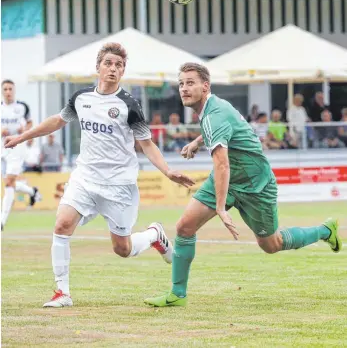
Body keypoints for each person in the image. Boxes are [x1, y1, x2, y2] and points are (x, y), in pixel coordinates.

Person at [4, 43, 194, 308]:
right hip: (85, 177)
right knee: (61, 225)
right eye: (109, 63)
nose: (113, 69)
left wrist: (168, 170)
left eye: (119, 65)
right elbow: (57, 121)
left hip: (118, 184)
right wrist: (21, 137)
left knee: (122, 249)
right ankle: (62, 292)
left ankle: (154, 235)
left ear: (123, 71)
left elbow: (146, 143)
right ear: (98, 67)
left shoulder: (129, 105)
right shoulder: (81, 98)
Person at [144, 62, 342, 308]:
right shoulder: (213, 109)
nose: (184, 88)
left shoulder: (213, 114)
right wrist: (197, 142)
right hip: (230, 179)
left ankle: (325, 230)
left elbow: (222, 165)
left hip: (256, 184)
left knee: (272, 244)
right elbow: (224, 133)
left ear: (205, 87)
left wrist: (220, 208)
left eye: (190, 83)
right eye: (181, 83)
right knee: (184, 227)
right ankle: (178, 294)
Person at [1, 80, 41, 230]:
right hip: (2, 149)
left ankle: (2, 221)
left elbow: (30, 123)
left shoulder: (22, 107)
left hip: (17, 149)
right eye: (5, 89)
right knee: (8, 183)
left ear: (14, 90)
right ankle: (32, 191)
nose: (8, 91)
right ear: (2, 91)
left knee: (9, 181)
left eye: (10, 88)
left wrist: (24, 130)